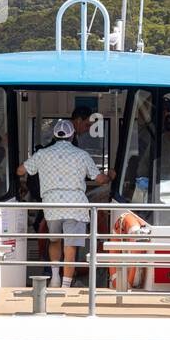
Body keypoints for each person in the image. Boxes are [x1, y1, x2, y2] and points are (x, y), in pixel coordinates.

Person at [17, 119, 116, 289]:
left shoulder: (43, 154)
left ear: (55, 136)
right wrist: (111, 176)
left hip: (52, 205)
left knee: (54, 241)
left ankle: (54, 278)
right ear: (72, 136)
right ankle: (65, 285)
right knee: (71, 246)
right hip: (75, 206)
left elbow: (20, 170)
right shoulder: (81, 155)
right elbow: (99, 179)